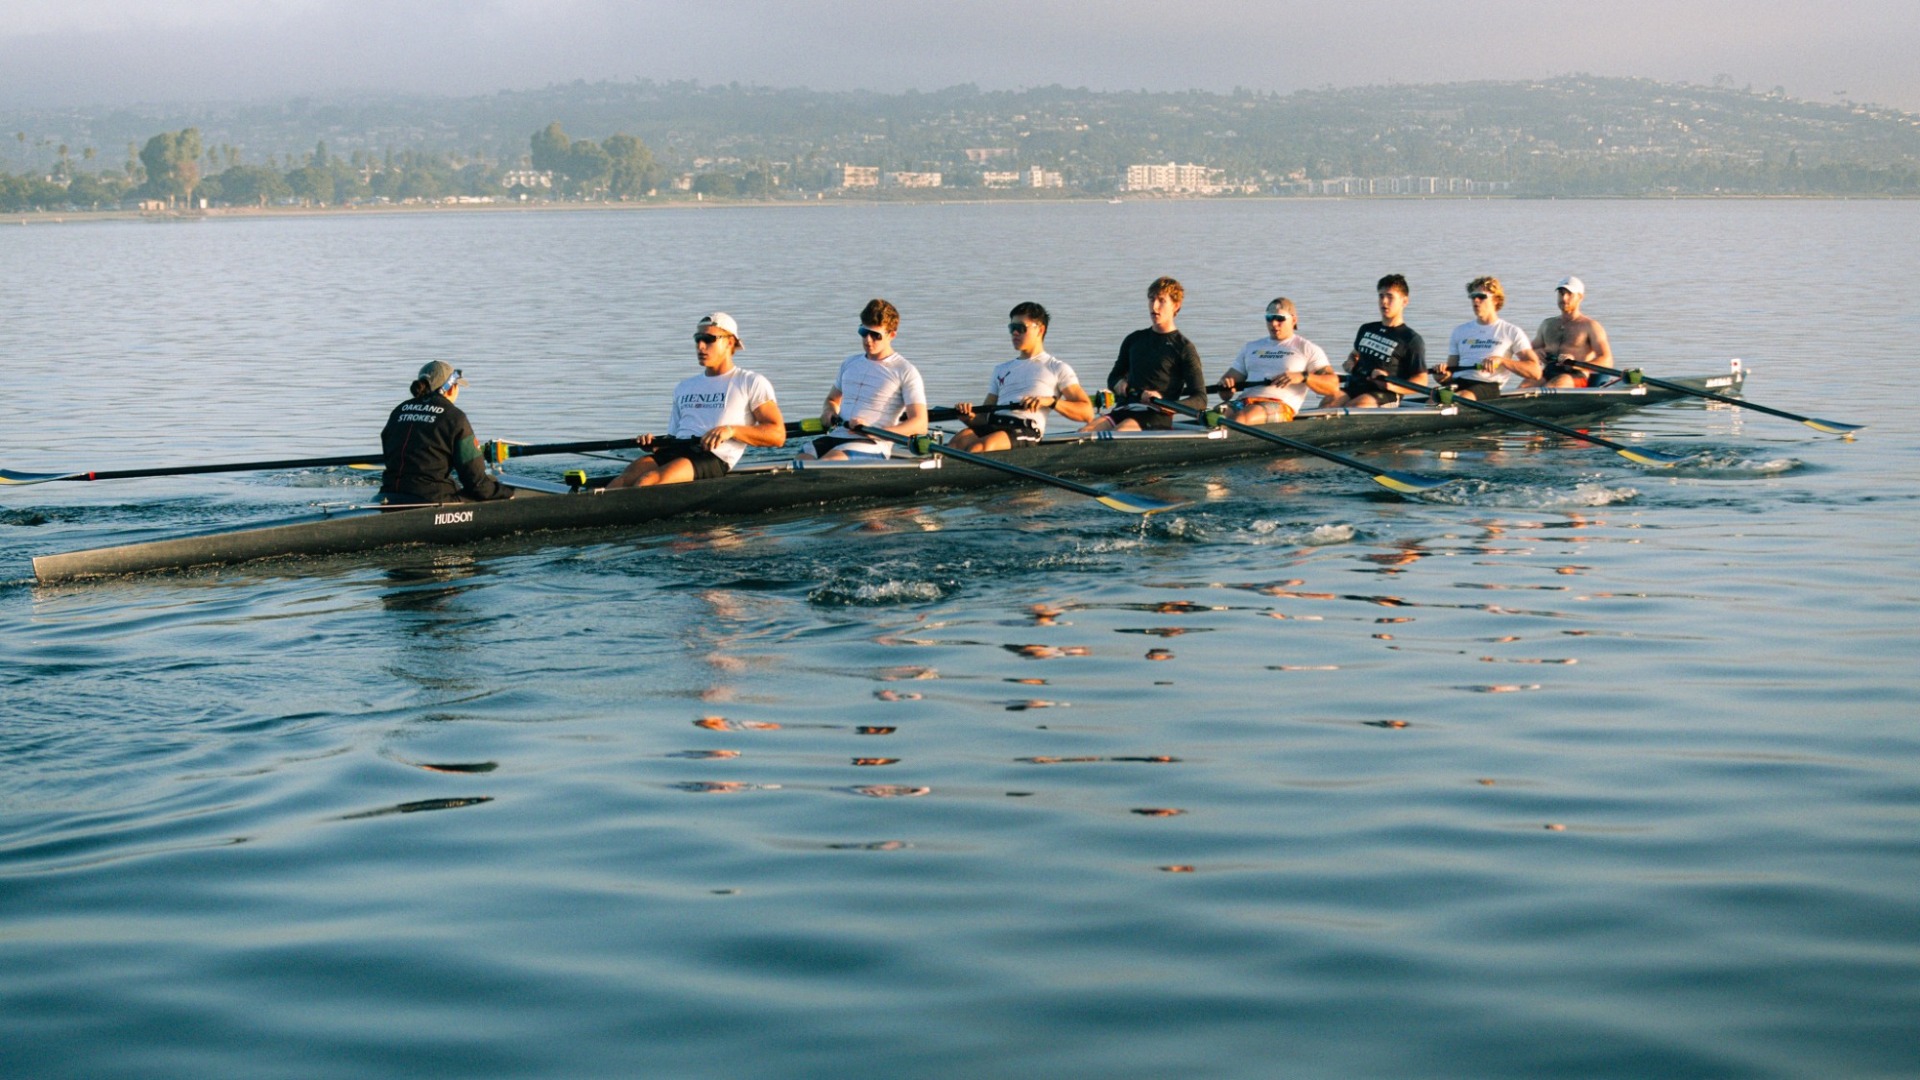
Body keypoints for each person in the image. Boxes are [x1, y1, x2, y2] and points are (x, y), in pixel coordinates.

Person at [608, 312, 785, 488]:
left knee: (647, 482)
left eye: (708, 339)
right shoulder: (684, 387)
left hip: (713, 456)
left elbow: (777, 435)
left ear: (730, 342)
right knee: (620, 483)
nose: (700, 346)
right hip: (678, 450)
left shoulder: (751, 382)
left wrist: (731, 431)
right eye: (697, 339)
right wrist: (654, 445)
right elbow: (674, 437)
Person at [950, 302, 1094, 451]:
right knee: (956, 444)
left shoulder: (1057, 368)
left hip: (1026, 429)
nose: (1015, 333)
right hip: (995, 425)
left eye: (1020, 328)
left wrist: (1051, 402)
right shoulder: (1000, 369)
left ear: (1040, 330)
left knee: (979, 447)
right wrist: (969, 418)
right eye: (1012, 328)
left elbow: (1087, 413)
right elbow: (983, 418)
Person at [801, 298, 928, 460]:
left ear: (892, 335)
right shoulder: (850, 363)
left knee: (830, 461)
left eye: (875, 335)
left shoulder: (905, 371)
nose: (868, 339)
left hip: (874, 441)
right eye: (863, 332)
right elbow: (832, 399)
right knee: (802, 459)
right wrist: (828, 411)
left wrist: (877, 431)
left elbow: (920, 424)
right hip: (839, 435)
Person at [1082, 276, 1206, 432]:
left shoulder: (1184, 348)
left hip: (1156, 416)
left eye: (1161, 301)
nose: (1154, 307)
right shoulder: (1134, 339)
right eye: (1151, 299)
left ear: (1176, 305)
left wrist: (1164, 403)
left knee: (1119, 433)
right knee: (1083, 434)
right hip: (1123, 410)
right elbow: (1113, 378)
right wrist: (1118, 384)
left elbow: (1200, 399)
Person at [379, 361, 511, 504]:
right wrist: (507, 492)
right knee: (488, 484)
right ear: (450, 388)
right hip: (431, 499)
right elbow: (476, 484)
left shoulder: (398, 411)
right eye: (457, 386)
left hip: (388, 494)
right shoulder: (454, 417)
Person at [1216, 297, 1338, 424]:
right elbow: (1225, 392)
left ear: (1294, 320)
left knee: (1241, 419)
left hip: (1279, 405)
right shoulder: (1251, 347)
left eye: (1280, 319)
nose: (1274, 323)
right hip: (1244, 401)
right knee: (1210, 417)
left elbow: (1333, 386)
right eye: (1269, 318)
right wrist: (1225, 388)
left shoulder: (1307, 349)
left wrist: (1304, 376)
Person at [1328, 273, 1429, 408]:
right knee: (1328, 402)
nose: (1384, 301)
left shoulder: (1411, 339)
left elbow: (1422, 380)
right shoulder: (1366, 329)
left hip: (1386, 393)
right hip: (1355, 385)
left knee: (1356, 406)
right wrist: (1350, 361)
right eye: (1381, 296)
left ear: (1404, 301)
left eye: (1390, 296)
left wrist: (1392, 385)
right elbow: (1355, 353)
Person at [1437, 276, 1543, 400]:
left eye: (1481, 297)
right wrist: (1441, 375)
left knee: (1461, 398)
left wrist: (1502, 361)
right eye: (1472, 296)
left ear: (1496, 300)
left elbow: (1535, 371)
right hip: (1459, 383)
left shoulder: (1511, 331)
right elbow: (1451, 373)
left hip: (1487, 385)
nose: (1475, 300)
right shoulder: (1460, 331)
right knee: (1434, 397)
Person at [1529, 276, 1615, 388]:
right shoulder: (1547, 324)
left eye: (1569, 294)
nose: (1564, 298)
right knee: (1526, 385)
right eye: (1561, 293)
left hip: (1576, 375)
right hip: (1549, 372)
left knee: (1558, 382)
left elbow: (1607, 360)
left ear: (1580, 297)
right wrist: (1535, 353)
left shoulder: (1591, 326)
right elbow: (1526, 351)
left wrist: (1576, 364)